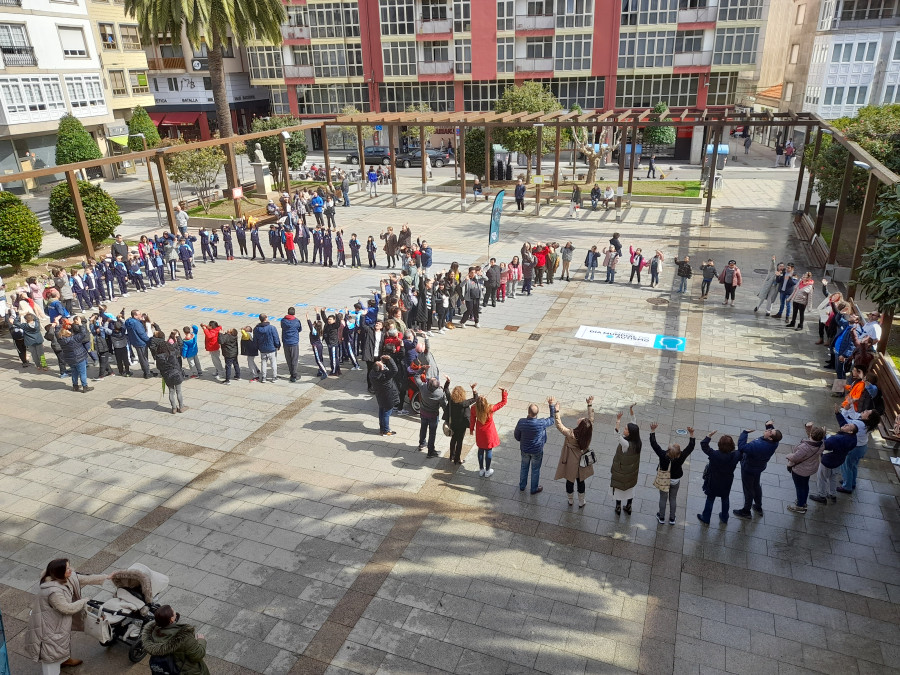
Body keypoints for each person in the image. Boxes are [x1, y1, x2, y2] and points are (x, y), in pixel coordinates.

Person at [24, 558, 111, 673]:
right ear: (59, 572)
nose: (71, 570)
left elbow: (83, 578)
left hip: (57, 622)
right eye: (67, 569)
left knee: (60, 643)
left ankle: (64, 660)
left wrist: (106, 577)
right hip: (49, 626)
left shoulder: (65, 578)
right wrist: (84, 601)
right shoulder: (53, 591)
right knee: (51, 653)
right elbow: (66, 608)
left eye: (69, 567)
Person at [141, 604, 210, 675]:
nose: (175, 612)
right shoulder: (184, 637)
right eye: (174, 612)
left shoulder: (152, 633)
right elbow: (198, 655)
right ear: (171, 619)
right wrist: (201, 640)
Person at [732, 422, 781, 519]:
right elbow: (774, 434)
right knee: (756, 485)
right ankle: (758, 506)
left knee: (748, 489)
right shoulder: (775, 442)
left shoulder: (758, 445)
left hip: (748, 468)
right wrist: (769, 425)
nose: (768, 430)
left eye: (770, 431)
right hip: (759, 467)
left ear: (770, 437)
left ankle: (746, 511)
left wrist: (744, 433)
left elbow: (742, 447)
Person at [553, 397, 595, 508]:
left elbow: (559, 425)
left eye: (581, 420)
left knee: (570, 481)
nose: (580, 419)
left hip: (571, 461)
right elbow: (591, 419)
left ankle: (570, 500)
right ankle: (581, 501)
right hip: (583, 462)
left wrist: (556, 410)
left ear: (580, 426)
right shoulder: (588, 433)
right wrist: (589, 405)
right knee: (581, 482)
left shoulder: (571, 434)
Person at [514, 397, 557, 495]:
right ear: (537, 413)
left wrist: (522, 440)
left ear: (528, 412)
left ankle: (522, 486)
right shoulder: (541, 423)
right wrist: (551, 405)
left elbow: (517, 436)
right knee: (535, 469)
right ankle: (534, 488)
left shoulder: (521, 422)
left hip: (524, 449)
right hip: (537, 450)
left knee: (524, 467)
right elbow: (552, 419)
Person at [836, 404, 881, 494]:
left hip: (854, 448)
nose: (866, 410)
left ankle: (847, 487)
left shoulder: (859, 424)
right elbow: (855, 415)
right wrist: (851, 405)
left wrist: (843, 410)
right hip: (862, 447)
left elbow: (846, 423)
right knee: (853, 466)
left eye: (867, 412)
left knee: (846, 466)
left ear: (868, 418)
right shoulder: (867, 424)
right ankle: (851, 482)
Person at [697, 432, 740, 525]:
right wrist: (744, 434)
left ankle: (706, 518)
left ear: (719, 444)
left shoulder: (714, 454)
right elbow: (743, 449)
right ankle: (724, 517)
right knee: (725, 498)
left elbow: (704, 445)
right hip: (727, 481)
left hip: (713, 481)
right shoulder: (736, 455)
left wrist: (708, 436)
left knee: (710, 498)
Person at [809, 422, 858, 504]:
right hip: (838, 461)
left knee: (822, 478)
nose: (845, 424)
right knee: (833, 478)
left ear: (850, 431)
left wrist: (823, 435)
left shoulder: (837, 439)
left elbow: (824, 445)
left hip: (828, 462)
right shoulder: (853, 439)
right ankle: (832, 494)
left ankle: (822, 496)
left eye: (848, 426)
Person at [786, 424, 825, 513]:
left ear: (811, 435)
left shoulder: (805, 447)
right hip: (810, 468)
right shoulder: (821, 444)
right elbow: (815, 439)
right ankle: (803, 502)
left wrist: (788, 455)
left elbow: (795, 458)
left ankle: (800, 506)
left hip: (800, 470)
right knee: (805, 485)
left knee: (799, 487)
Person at [470, 388, 508, 477]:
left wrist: (471, 429)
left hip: (480, 432)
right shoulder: (490, 408)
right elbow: (502, 403)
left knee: (480, 450)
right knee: (488, 450)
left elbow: (472, 420)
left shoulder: (474, 409)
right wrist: (504, 392)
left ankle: (481, 469)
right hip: (489, 433)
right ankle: (487, 470)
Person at [611, 406, 641, 514]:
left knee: (619, 488)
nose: (624, 429)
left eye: (626, 429)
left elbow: (616, 435)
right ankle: (629, 506)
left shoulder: (626, 444)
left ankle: (618, 507)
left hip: (622, 472)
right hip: (631, 473)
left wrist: (618, 420)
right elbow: (634, 422)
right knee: (630, 489)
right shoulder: (637, 442)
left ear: (630, 433)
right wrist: (632, 412)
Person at [443, 380, 477, 464]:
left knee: (453, 439)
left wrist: (448, 381)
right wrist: (473, 389)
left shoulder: (451, 400)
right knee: (459, 442)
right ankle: (457, 459)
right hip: (462, 426)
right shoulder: (465, 403)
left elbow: (446, 389)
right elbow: (475, 398)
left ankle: (452, 456)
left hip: (453, 424)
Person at [416, 376, 448, 458]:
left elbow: (416, 377)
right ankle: (430, 452)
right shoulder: (440, 393)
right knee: (432, 433)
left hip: (423, 412)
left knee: (423, 428)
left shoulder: (423, 388)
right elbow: (444, 405)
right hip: (433, 415)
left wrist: (422, 369)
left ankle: (422, 444)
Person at [372, 355, 400, 435]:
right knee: (387, 413)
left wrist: (381, 366)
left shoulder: (373, 374)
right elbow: (395, 370)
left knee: (381, 411)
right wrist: (390, 359)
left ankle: (382, 428)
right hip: (388, 396)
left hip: (380, 395)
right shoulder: (385, 375)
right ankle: (386, 430)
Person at [253, 313, 281, 382]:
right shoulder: (272, 328)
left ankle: (264, 377)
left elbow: (255, 340)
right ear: (266, 318)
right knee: (273, 363)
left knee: (263, 363)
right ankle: (274, 377)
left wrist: (257, 347)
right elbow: (276, 338)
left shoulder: (256, 329)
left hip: (262, 349)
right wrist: (278, 345)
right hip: (271, 348)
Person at [281, 307, 303, 383]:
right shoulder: (296, 321)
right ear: (294, 313)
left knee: (288, 358)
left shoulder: (283, 321)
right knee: (294, 359)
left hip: (286, 341)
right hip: (294, 342)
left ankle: (291, 373)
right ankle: (294, 375)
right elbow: (300, 329)